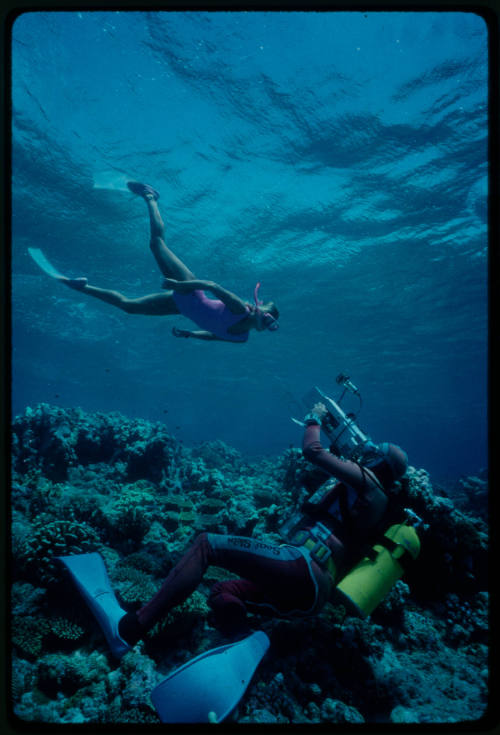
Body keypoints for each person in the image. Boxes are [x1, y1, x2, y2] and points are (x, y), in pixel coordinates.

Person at [61, 400, 409, 656]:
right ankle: (241, 643)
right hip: (312, 595)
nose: (364, 456)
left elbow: (313, 451)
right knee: (224, 592)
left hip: (302, 566)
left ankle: (130, 629)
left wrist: (313, 418)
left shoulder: (368, 482)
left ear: (378, 462)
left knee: (205, 545)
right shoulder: (379, 504)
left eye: (370, 453)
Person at [61, 182, 279, 343]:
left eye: (266, 316)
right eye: (263, 310)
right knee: (156, 244)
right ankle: (150, 196)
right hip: (189, 291)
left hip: (180, 307)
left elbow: (214, 335)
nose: (262, 314)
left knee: (129, 307)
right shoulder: (239, 308)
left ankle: (82, 287)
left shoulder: (241, 338)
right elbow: (212, 285)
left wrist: (191, 334)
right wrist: (179, 286)